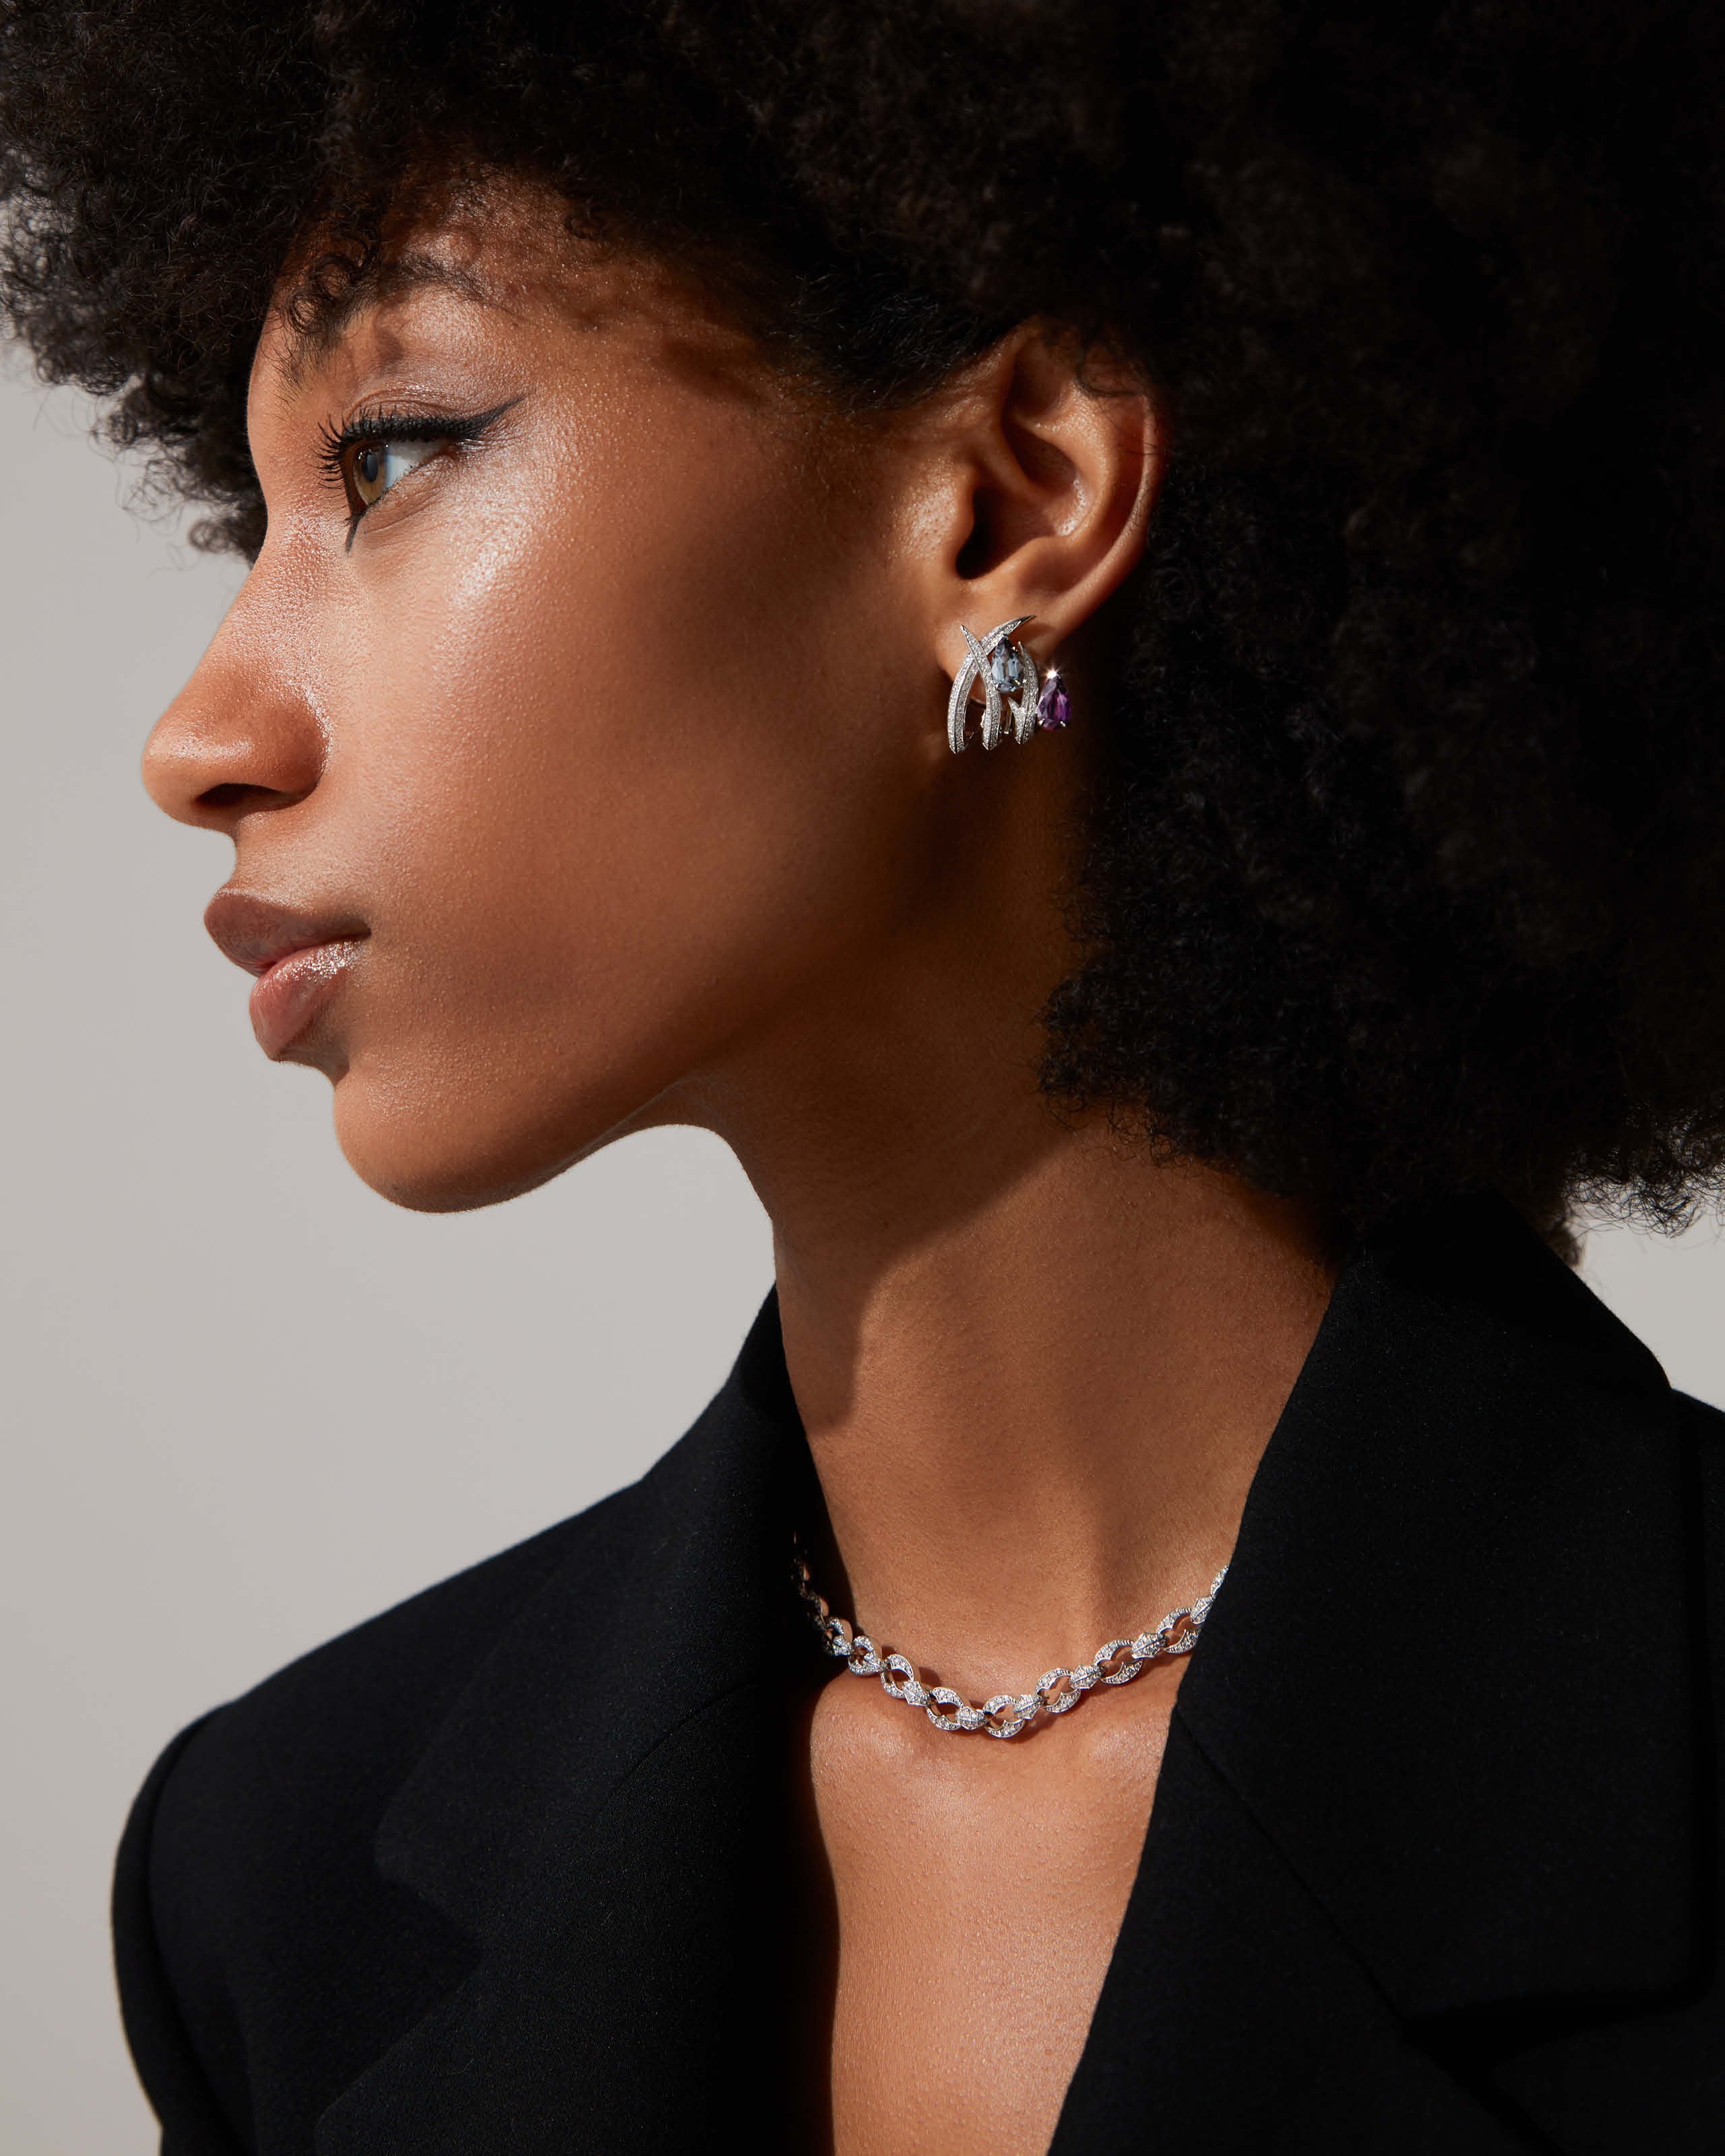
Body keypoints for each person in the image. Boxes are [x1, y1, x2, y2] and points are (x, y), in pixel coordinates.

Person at [5, 3, 1725, 2149]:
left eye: (391, 458)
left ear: (1013, 504)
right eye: (247, 520)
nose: (200, 739)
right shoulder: (283, 1894)